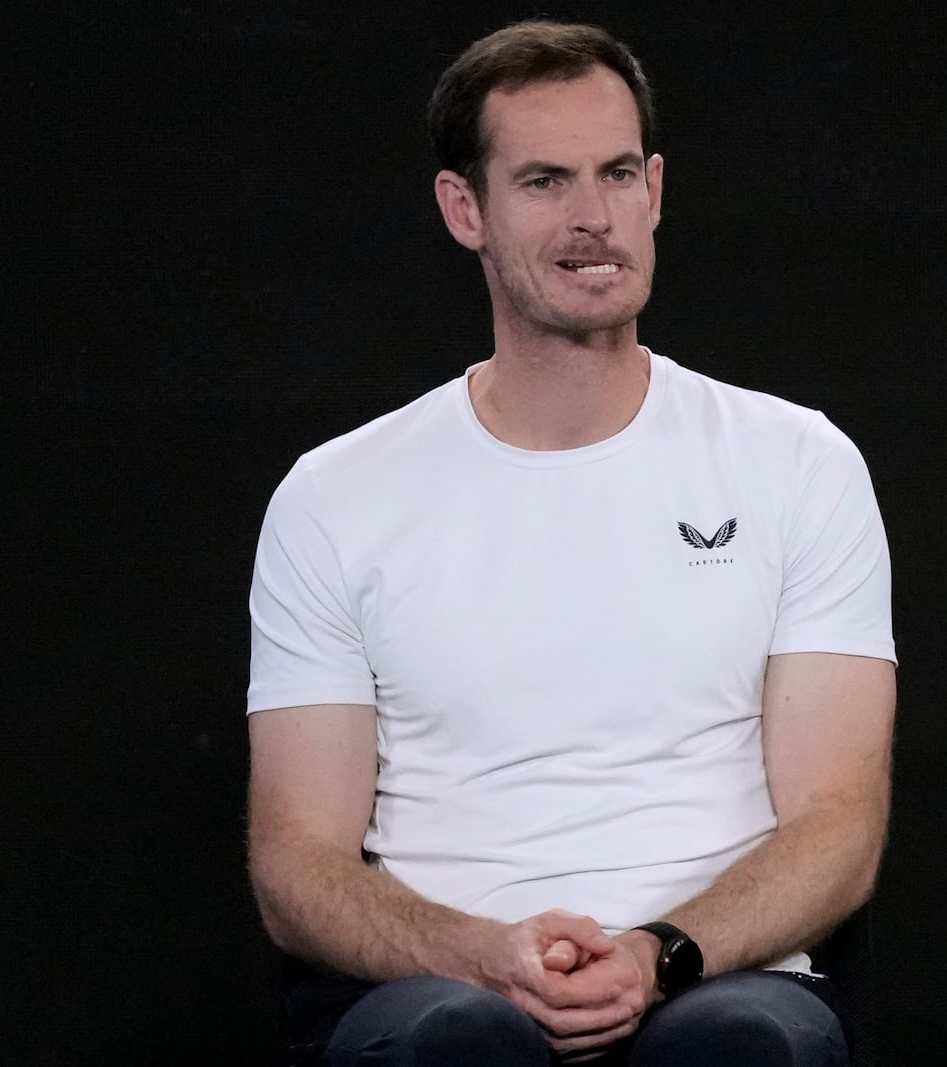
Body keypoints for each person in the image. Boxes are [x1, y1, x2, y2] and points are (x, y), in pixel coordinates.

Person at [243, 19, 896, 1067]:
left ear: (656, 189)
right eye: (545, 180)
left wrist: (658, 953)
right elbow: (297, 863)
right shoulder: (336, 495)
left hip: (717, 979)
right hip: (442, 989)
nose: (594, 216)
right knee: (458, 1041)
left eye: (618, 172)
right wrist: (479, 953)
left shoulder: (795, 462)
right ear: (467, 209)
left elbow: (836, 825)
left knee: (734, 1043)